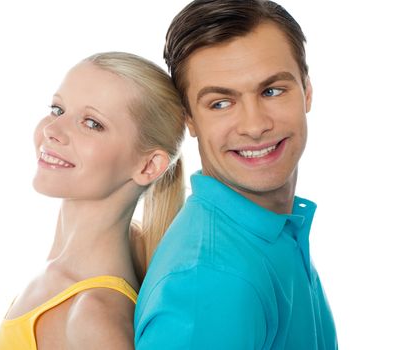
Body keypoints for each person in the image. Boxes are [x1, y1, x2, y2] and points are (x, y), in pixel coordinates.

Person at [134, 1, 338, 349]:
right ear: (190, 120)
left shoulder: (270, 233)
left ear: (307, 90)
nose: (255, 126)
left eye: (272, 91)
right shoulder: (210, 281)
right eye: (220, 103)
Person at [0, 52, 185, 350]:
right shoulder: (58, 278)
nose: (51, 131)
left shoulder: (94, 314)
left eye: (92, 123)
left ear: (148, 166)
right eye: (57, 109)